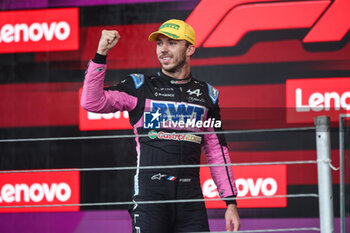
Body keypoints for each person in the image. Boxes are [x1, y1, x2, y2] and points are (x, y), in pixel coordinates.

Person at [81, 19, 241, 232]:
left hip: (190, 200)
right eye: (159, 43)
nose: (163, 50)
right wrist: (101, 54)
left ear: (190, 49)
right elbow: (92, 102)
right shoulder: (139, 86)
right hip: (150, 199)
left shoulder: (207, 95)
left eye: (172, 43)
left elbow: (216, 150)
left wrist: (230, 203)